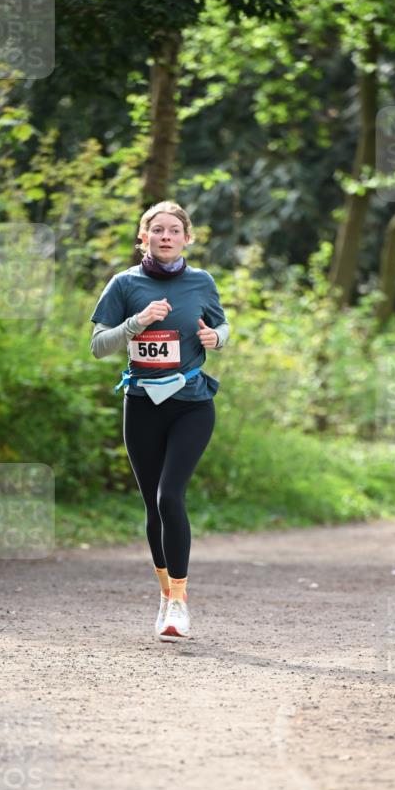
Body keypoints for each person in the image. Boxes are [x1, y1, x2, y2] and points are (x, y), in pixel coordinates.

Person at [90, 202, 229, 640]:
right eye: (157, 230)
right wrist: (136, 322)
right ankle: (165, 595)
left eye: (174, 230)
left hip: (191, 403)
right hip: (142, 403)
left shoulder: (201, 282)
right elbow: (98, 345)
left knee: (172, 495)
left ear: (187, 237)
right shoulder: (124, 284)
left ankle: (180, 604)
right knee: (153, 505)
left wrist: (215, 338)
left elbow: (223, 328)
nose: (165, 236)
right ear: (143, 237)